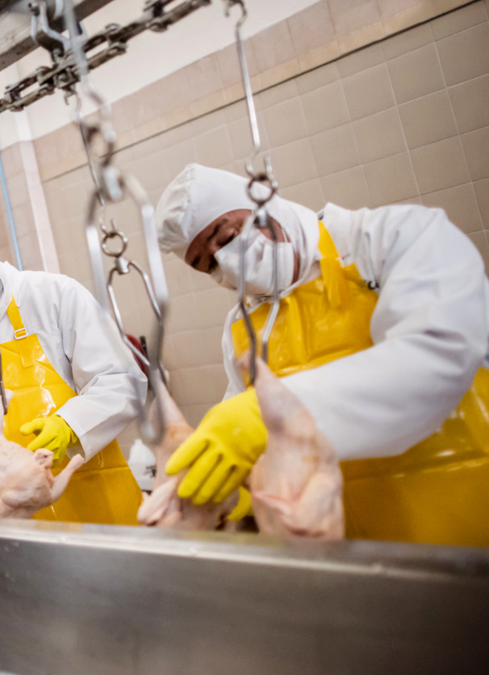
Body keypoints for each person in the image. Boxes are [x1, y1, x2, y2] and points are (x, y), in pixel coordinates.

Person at [154, 163, 489, 546]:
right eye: (207, 264)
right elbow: (246, 450)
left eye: (228, 235)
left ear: (264, 202)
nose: (227, 263)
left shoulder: (394, 237)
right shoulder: (242, 328)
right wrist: (235, 497)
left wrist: (274, 418)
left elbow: (439, 355)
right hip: (353, 552)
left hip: (472, 524)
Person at [0, 218, 146, 525]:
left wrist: (68, 425)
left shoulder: (54, 295)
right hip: (5, 508)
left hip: (94, 496)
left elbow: (122, 380)